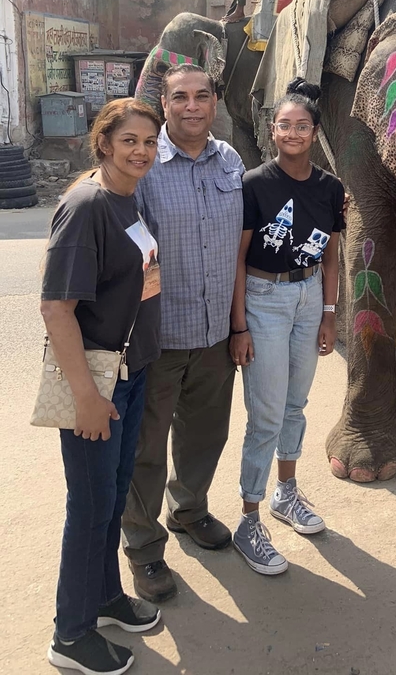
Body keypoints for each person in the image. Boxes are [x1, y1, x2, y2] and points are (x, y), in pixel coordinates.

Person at [41, 97, 163, 675]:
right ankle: (71, 632)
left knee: (113, 497)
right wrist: (88, 398)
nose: (140, 151)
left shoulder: (127, 198)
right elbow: (56, 309)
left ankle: (105, 597)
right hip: (96, 381)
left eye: (148, 141)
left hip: (130, 372)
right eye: (129, 141)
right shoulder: (87, 204)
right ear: (104, 143)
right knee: (90, 506)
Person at [122, 64, 245, 602]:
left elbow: (240, 249)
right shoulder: (145, 165)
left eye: (201, 96)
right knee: (145, 447)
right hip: (160, 337)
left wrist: (239, 325)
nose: (191, 106)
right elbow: (132, 258)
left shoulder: (231, 160)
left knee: (205, 434)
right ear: (165, 104)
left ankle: (189, 508)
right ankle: (145, 550)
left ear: (214, 102)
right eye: (180, 98)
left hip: (216, 333)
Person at [230, 78, 344, 575]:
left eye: (302, 126)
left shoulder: (330, 187)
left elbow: (334, 254)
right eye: (284, 125)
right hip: (264, 298)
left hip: (308, 295)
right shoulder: (254, 184)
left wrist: (328, 311)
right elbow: (237, 259)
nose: (293, 132)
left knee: (295, 405)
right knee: (267, 415)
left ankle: (286, 493)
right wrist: (240, 327)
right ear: (271, 131)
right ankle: (248, 519)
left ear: (315, 132)